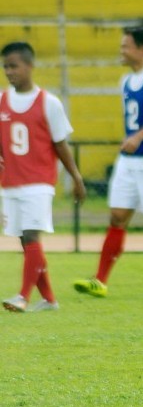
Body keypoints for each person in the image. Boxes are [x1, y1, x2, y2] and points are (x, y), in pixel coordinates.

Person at [74, 27, 143, 299]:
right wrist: (132, 140)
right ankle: (99, 280)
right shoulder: (125, 81)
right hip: (130, 160)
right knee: (117, 217)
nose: (121, 51)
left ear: (142, 48)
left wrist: (137, 137)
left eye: (126, 46)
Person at [0, 42, 85, 312]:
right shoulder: (1, 101)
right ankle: (49, 299)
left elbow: (60, 144)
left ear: (30, 65)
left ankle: (23, 296)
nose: (9, 72)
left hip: (39, 182)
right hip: (11, 182)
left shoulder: (49, 103)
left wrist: (76, 178)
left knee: (31, 235)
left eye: (14, 66)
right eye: (5, 67)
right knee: (25, 241)